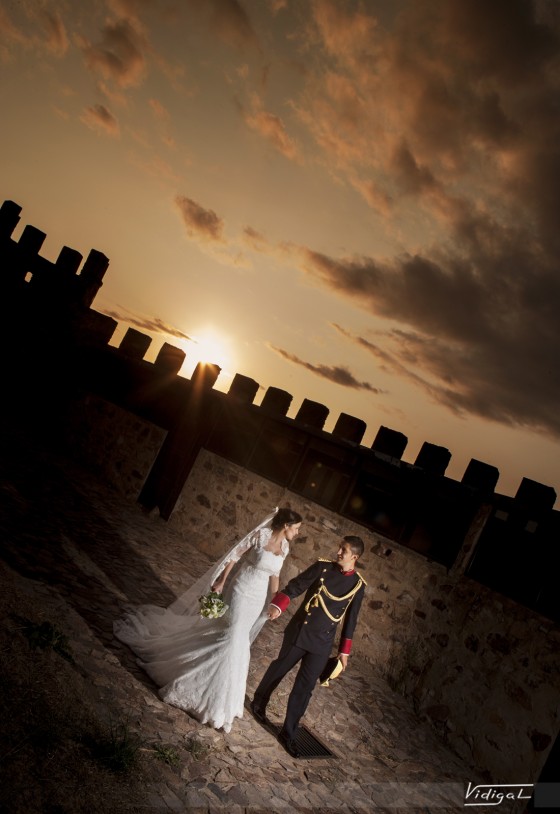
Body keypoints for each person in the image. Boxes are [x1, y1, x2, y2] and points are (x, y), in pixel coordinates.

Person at [113, 507, 302, 733]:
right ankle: (195, 690)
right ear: (286, 526)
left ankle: (221, 703)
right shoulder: (259, 536)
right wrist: (222, 581)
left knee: (235, 640)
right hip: (241, 590)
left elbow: (275, 576)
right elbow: (235, 556)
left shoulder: (285, 547)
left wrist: (274, 602)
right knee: (232, 637)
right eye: (297, 528)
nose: (298, 533)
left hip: (257, 599)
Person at [251, 535, 366, 757]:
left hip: (322, 643)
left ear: (355, 556)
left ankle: (289, 732)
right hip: (300, 631)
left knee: (305, 689)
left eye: (344, 550)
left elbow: (351, 621)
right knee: (279, 668)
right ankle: (259, 703)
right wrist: (279, 605)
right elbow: (296, 586)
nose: (338, 552)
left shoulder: (358, 586)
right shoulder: (322, 568)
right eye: (339, 547)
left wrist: (344, 653)